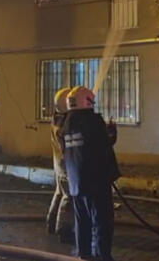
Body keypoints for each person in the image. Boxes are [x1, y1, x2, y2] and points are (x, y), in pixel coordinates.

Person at [61, 86, 119, 261]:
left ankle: (84, 255)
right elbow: (103, 145)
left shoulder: (66, 122)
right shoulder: (92, 120)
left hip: (76, 182)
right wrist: (111, 133)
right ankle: (103, 256)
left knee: (82, 221)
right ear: (86, 101)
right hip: (96, 181)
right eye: (91, 102)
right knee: (102, 222)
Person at [46, 87, 73, 243]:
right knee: (68, 197)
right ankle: (64, 230)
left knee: (59, 193)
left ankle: (50, 223)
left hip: (59, 164)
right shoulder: (64, 125)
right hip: (66, 165)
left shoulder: (56, 118)